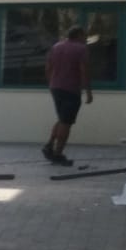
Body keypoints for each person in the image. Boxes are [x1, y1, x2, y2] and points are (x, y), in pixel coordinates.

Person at [43, 25, 93, 165]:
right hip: (71, 89)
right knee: (66, 122)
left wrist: (51, 83)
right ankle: (58, 154)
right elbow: (84, 71)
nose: (85, 38)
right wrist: (88, 91)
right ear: (78, 35)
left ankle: (49, 145)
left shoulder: (56, 46)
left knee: (61, 118)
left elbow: (48, 67)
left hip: (55, 87)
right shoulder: (81, 49)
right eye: (84, 35)